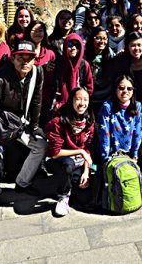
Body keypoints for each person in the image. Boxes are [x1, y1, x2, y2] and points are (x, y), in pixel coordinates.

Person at [0, 40, 46, 212]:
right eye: (20, 57)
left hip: (17, 123)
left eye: (29, 58)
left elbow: (36, 100)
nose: (25, 62)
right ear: (13, 58)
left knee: (41, 145)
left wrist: (35, 126)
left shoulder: (37, 73)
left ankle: (22, 183)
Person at [45, 87, 95, 217]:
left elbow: (87, 148)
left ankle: (70, 184)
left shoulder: (88, 121)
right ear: (71, 101)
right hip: (57, 160)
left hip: (78, 161)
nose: (82, 103)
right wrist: (81, 152)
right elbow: (55, 152)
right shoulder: (59, 122)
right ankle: (63, 196)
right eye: (78, 99)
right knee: (67, 165)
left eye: (85, 100)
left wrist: (86, 172)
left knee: (84, 197)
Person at [110, 31, 142, 102]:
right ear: (127, 46)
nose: (136, 48)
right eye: (133, 45)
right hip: (126, 102)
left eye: (139, 45)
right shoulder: (120, 62)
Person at [84, 27, 115, 114]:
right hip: (90, 98)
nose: (102, 41)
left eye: (105, 38)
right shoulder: (85, 57)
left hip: (107, 98)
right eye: (98, 38)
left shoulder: (110, 55)